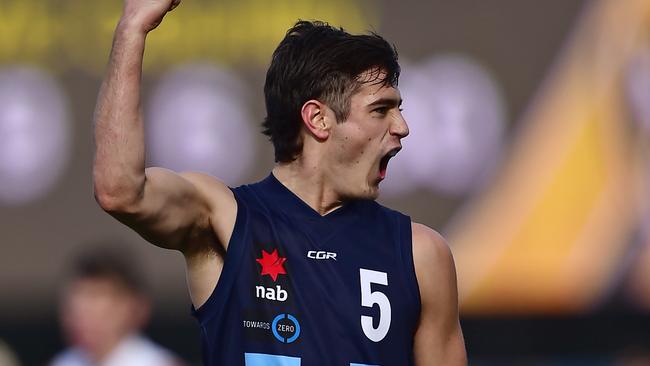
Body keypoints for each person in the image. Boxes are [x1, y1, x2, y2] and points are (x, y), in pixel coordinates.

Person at [92, 0, 467, 365]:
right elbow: (120, 191)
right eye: (381, 109)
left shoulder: (421, 255)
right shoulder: (226, 219)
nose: (402, 127)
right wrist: (132, 29)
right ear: (317, 119)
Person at [50, 246, 183, 366]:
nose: (82, 323)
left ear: (134, 309)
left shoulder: (158, 363)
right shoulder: (63, 362)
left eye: (96, 313)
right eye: (74, 312)